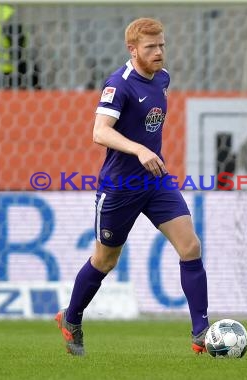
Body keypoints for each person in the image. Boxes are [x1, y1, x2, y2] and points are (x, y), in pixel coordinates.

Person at [55, 17, 209, 356]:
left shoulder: (163, 79)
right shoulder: (119, 84)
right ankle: (72, 318)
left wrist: (148, 154)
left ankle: (202, 334)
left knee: (190, 247)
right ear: (133, 49)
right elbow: (100, 132)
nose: (158, 52)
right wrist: (139, 149)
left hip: (155, 181)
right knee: (104, 261)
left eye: (161, 45)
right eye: (150, 47)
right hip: (120, 187)